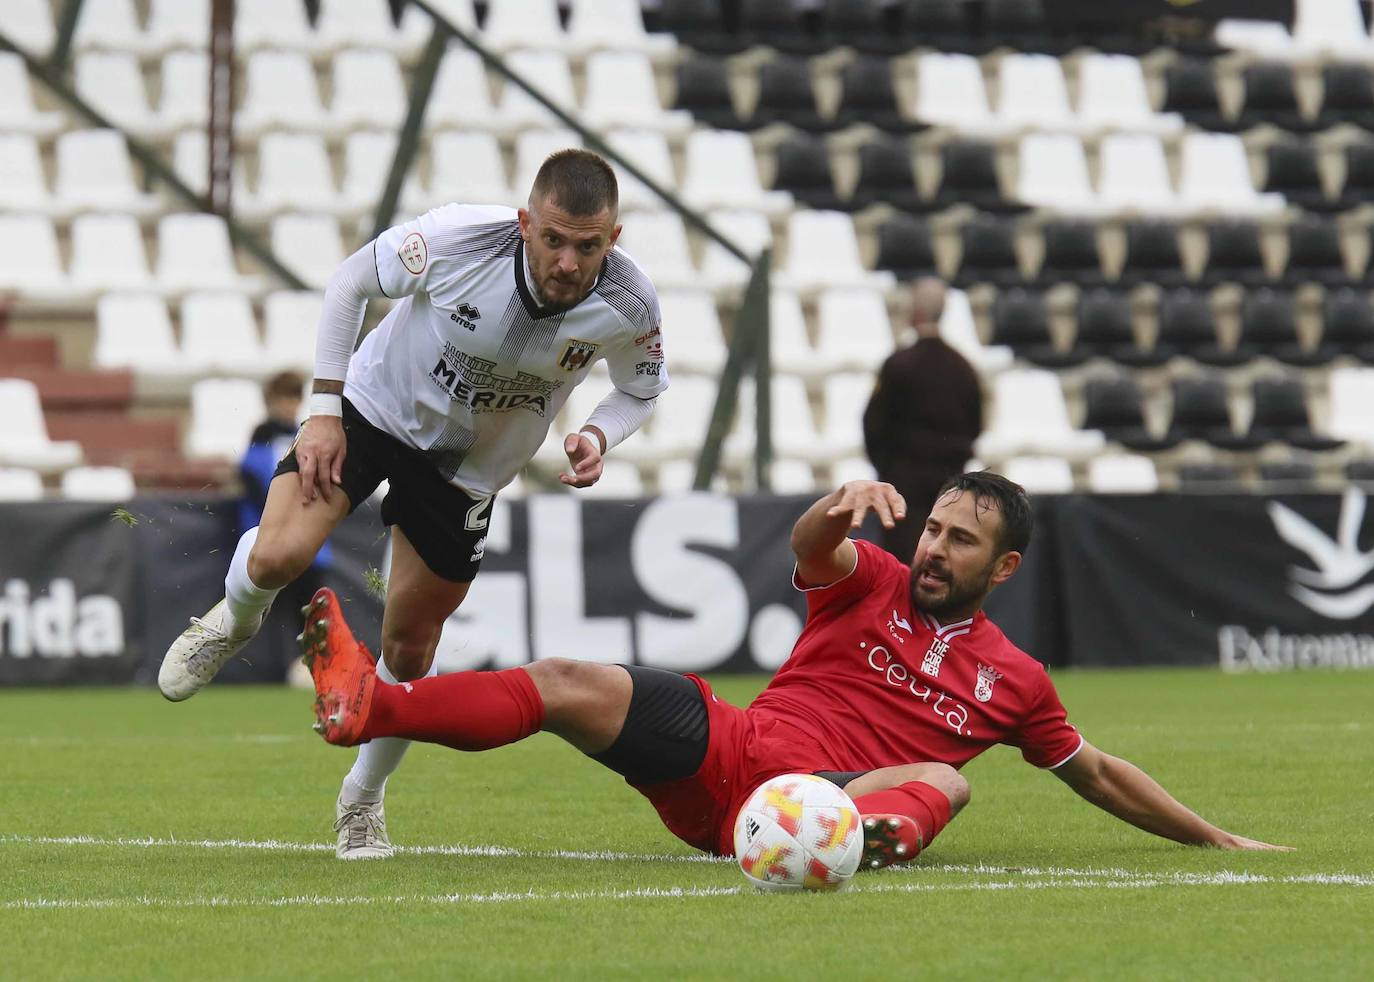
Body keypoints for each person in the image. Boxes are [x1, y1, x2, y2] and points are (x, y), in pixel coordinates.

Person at [301, 473, 1289, 868]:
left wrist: (1213, 835)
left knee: (949, 779)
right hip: (731, 757)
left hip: (834, 795)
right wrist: (835, 502)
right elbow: (819, 548)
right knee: (565, 679)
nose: (937, 547)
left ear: (1006, 566)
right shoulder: (876, 584)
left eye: (962, 539)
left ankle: (856, 839)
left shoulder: (1018, 682)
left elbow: (1099, 772)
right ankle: (367, 700)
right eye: (935, 528)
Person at [159, 149, 669, 860]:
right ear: (525, 224)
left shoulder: (630, 301)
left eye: (587, 246)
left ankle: (362, 800)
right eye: (553, 239)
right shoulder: (460, 238)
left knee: (409, 647)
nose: (567, 261)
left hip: (469, 470)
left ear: (611, 240)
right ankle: (236, 620)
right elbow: (350, 284)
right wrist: (323, 410)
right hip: (373, 411)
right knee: (278, 554)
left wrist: (595, 433)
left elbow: (640, 390)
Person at [863, 277, 983, 564]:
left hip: (903, 485)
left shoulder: (898, 364)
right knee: (944, 561)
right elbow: (975, 426)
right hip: (949, 484)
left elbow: (874, 425)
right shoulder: (963, 368)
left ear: (914, 313)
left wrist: (889, 469)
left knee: (903, 563)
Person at [237, 371, 332, 685]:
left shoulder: (305, 433)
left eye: (294, 398)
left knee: (310, 608)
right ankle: (282, 669)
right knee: (272, 609)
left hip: (308, 541)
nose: (290, 405)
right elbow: (257, 479)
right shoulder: (261, 436)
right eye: (284, 398)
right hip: (273, 538)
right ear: (271, 401)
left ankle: (315, 665)